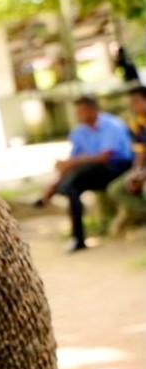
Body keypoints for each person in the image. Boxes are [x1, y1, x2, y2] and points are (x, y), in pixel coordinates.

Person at [35, 94, 135, 252]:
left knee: (80, 172)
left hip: (118, 168)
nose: (78, 116)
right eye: (77, 112)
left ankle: (60, 190)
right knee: (72, 187)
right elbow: (72, 162)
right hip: (92, 172)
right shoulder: (79, 132)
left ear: (93, 110)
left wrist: (72, 163)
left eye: (81, 112)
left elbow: (104, 157)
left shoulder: (112, 125)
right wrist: (53, 184)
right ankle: (78, 238)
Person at [106, 84, 146, 235]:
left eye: (136, 101)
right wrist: (136, 173)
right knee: (115, 189)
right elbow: (140, 152)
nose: (132, 106)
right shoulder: (138, 124)